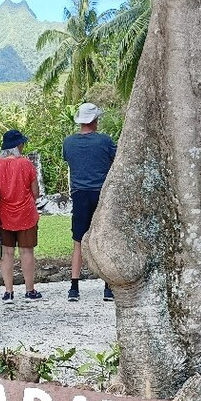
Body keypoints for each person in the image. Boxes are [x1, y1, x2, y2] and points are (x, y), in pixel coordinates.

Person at [62, 102, 117, 301]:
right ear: (94, 120)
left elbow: (70, 161)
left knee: (77, 240)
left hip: (79, 194)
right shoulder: (105, 141)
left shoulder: (68, 143)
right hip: (101, 193)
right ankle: (108, 287)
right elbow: (114, 161)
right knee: (105, 239)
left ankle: (74, 287)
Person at [0, 129, 42, 304]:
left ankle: (8, 292)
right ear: (17, 145)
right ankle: (30, 291)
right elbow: (35, 192)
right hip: (26, 214)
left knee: (6, 253)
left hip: (4, 214)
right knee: (26, 251)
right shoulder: (26, 164)